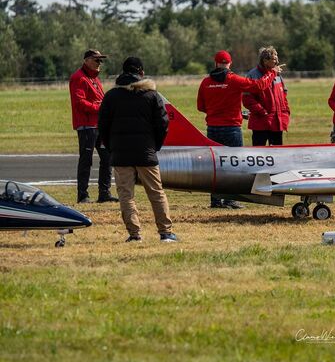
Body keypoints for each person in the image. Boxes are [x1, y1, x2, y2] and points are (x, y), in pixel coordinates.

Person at [98, 57, 177, 243]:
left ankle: (134, 234)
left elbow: (102, 126)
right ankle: (165, 232)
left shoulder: (111, 96)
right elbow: (163, 123)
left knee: (126, 196)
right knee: (156, 193)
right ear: (141, 73)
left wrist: (111, 148)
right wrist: (154, 146)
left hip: (120, 154)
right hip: (146, 153)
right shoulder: (151, 96)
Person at [197, 50, 282, 209]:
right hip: (231, 129)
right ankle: (230, 200)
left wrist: (218, 111)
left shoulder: (205, 82)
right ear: (230, 63)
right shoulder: (234, 79)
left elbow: (201, 107)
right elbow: (259, 86)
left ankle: (215, 201)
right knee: (234, 166)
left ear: (215, 63)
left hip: (213, 128)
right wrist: (272, 72)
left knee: (216, 166)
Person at [69, 49, 118, 204]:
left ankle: (104, 193)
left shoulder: (94, 79)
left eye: (100, 60)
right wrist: (100, 108)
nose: (99, 63)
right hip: (86, 126)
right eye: (96, 60)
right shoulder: (79, 78)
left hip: (98, 125)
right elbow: (79, 103)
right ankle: (82, 195)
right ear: (87, 60)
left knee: (107, 157)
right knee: (86, 160)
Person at [243, 46, 290, 146]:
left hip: (277, 123)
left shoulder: (277, 74)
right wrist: (262, 112)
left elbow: (283, 94)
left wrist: (286, 112)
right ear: (265, 60)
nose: (277, 62)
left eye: (277, 58)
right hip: (260, 123)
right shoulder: (253, 75)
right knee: (259, 154)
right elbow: (247, 99)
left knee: (278, 155)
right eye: (274, 59)